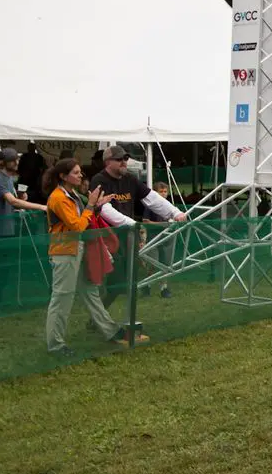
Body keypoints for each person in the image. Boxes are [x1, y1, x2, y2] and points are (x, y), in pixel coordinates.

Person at [43, 158, 147, 356]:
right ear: (63, 177)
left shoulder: (70, 194)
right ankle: (55, 345)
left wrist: (96, 207)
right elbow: (77, 226)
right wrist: (91, 205)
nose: (81, 175)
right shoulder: (58, 198)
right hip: (65, 253)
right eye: (76, 172)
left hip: (76, 249)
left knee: (90, 291)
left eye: (80, 171)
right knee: (62, 298)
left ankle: (111, 330)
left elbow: (83, 218)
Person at [88, 145, 187, 314]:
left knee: (129, 282)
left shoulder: (130, 179)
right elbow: (104, 209)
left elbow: (152, 198)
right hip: (107, 239)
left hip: (128, 237)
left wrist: (175, 212)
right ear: (108, 162)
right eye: (119, 159)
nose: (124, 162)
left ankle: (118, 322)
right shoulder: (99, 180)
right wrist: (131, 223)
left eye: (125, 159)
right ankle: (100, 318)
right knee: (114, 283)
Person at [0, 147, 48, 309]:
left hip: (7, 229)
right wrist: (41, 207)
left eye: (16, 160)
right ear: (5, 162)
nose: (17, 163)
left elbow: (13, 201)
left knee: (5, 267)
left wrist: (21, 197)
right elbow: (12, 202)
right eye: (13, 160)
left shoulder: (9, 179)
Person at [140, 181, 176, 299]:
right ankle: (147, 286)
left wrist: (168, 224)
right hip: (153, 239)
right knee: (153, 263)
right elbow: (146, 222)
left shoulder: (170, 206)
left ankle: (164, 288)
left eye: (165, 191)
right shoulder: (150, 206)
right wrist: (163, 224)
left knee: (165, 264)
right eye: (161, 192)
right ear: (155, 193)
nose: (164, 194)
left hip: (166, 238)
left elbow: (173, 220)